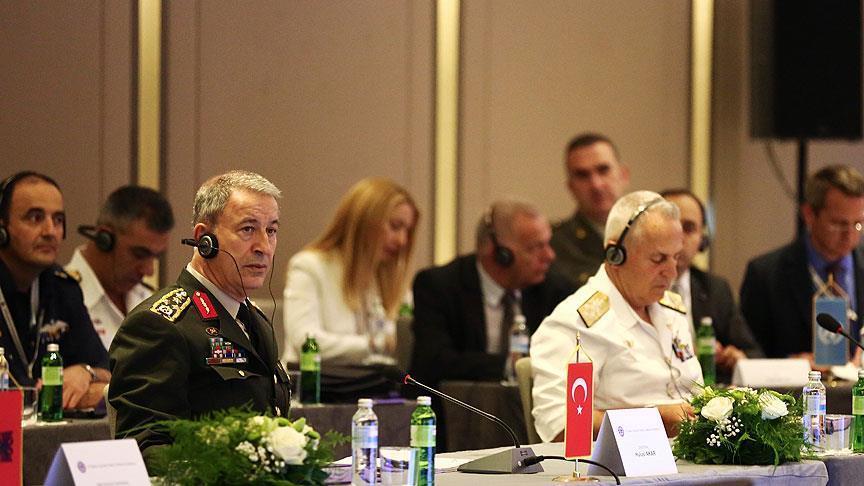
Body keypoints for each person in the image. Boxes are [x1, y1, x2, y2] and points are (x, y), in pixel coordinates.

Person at [109, 170, 291, 467]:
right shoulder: (159, 325)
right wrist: (225, 471)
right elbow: (145, 449)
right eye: (248, 229)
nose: (264, 247)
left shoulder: (253, 319)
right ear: (204, 240)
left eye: (271, 231)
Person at [532, 191, 702, 442]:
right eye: (658, 259)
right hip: (622, 463)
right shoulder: (576, 323)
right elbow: (562, 425)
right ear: (615, 255)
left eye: (676, 257)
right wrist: (653, 421)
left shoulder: (671, 310)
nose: (671, 272)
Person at [411, 199, 574, 386]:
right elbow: (435, 361)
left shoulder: (555, 290)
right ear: (499, 253)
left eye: (547, 244)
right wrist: (514, 366)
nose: (549, 256)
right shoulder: (439, 286)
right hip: (455, 402)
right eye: (535, 247)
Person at [0, 171, 109, 409]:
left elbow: (108, 371)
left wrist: (85, 371)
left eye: (58, 220)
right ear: (3, 228)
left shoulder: (62, 288)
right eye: (35, 218)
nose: (50, 231)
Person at [282, 177, 418, 366]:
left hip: (371, 382)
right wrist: (375, 344)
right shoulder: (309, 267)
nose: (402, 240)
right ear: (363, 221)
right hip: (314, 382)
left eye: (407, 231)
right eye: (395, 226)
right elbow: (305, 341)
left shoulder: (389, 280)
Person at [741, 165, 864, 360]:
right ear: (809, 215)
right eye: (838, 224)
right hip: (798, 379)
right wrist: (793, 364)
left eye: (858, 223)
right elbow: (750, 355)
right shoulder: (765, 275)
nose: (849, 235)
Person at [660, 188, 763, 378]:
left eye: (688, 228)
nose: (679, 237)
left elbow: (753, 353)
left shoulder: (715, 289)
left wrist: (735, 357)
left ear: (703, 239)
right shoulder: (637, 286)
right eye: (671, 226)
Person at [66, 185, 174, 351]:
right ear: (104, 239)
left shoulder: (150, 301)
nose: (149, 270)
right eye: (139, 254)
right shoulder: (59, 299)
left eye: (156, 257)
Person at [550, 133, 630, 287]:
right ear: (570, 186)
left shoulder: (649, 236)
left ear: (623, 175)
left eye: (603, 170)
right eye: (582, 175)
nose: (596, 185)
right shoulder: (554, 247)